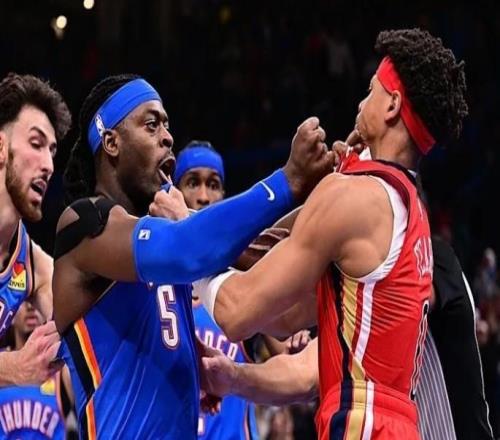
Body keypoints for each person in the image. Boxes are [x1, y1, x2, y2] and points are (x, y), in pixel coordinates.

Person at [194, 28, 468, 439]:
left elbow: (237, 312)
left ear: (392, 105)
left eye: (371, 90)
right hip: (396, 424)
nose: (360, 102)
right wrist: (231, 376)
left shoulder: (354, 197)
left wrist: (188, 246)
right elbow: (284, 321)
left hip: (361, 425)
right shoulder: (412, 215)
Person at [52, 74, 332, 438]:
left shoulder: (165, 237)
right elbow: (186, 248)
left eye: (167, 125)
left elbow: (260, 247)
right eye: (151, 124)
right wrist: (287, 181)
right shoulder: (83, 225)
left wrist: (330, 192)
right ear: (112, 143)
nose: (167, 136)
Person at [0, 73, 71, 385]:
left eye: (52, 152)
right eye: (36, 144)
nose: (49, 165)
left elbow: (87, 333)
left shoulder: (31, 262)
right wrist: (13, 367)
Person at [0, 300, 74, 439]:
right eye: (24, 301)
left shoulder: (62, 370)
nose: (30, 306)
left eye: (35, 301)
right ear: (10, 316)